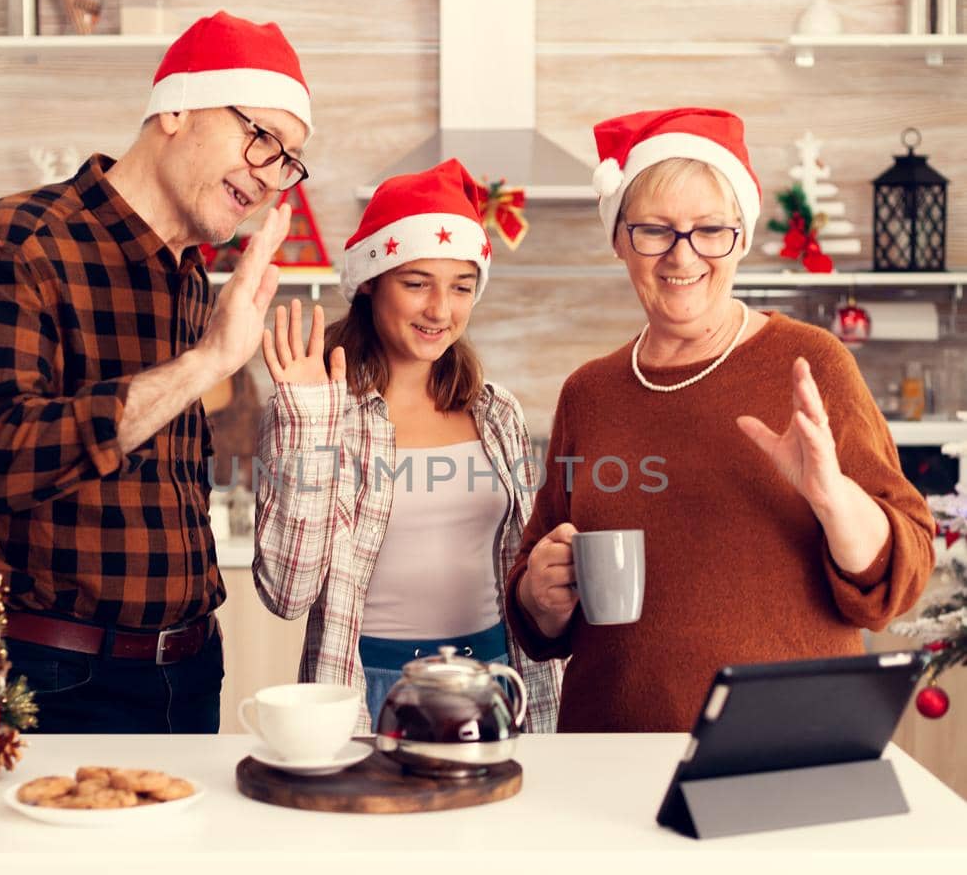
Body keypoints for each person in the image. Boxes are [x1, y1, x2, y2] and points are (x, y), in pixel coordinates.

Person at [0, 11, 310, 735]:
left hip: (188, 673)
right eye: (260, 137)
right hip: (52, 679)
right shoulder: (25, 238)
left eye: (287, 159)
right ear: (173, 109)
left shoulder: (190, 278)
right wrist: (205, 364)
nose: (268, 175)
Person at [505, 107, 935, 733]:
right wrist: (537, 597)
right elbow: (540, 600)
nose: (683, 256)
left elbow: (902, 576)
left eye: (710, 230)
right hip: (608, 753)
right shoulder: (589, 393)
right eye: (655, 230)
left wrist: (832, 498)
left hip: (781, 752)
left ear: (740, 235)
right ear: (620, 239)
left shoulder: (812, 364)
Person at [253, 159, 562, 733]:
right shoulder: (317, 409)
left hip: (494, 679)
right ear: (371, 281)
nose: (440, 311)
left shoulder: (496, 412)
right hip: (368, 689)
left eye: (461, 286)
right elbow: (287, 594)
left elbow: (525, 570)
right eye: (417, 282)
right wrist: (306, 425)